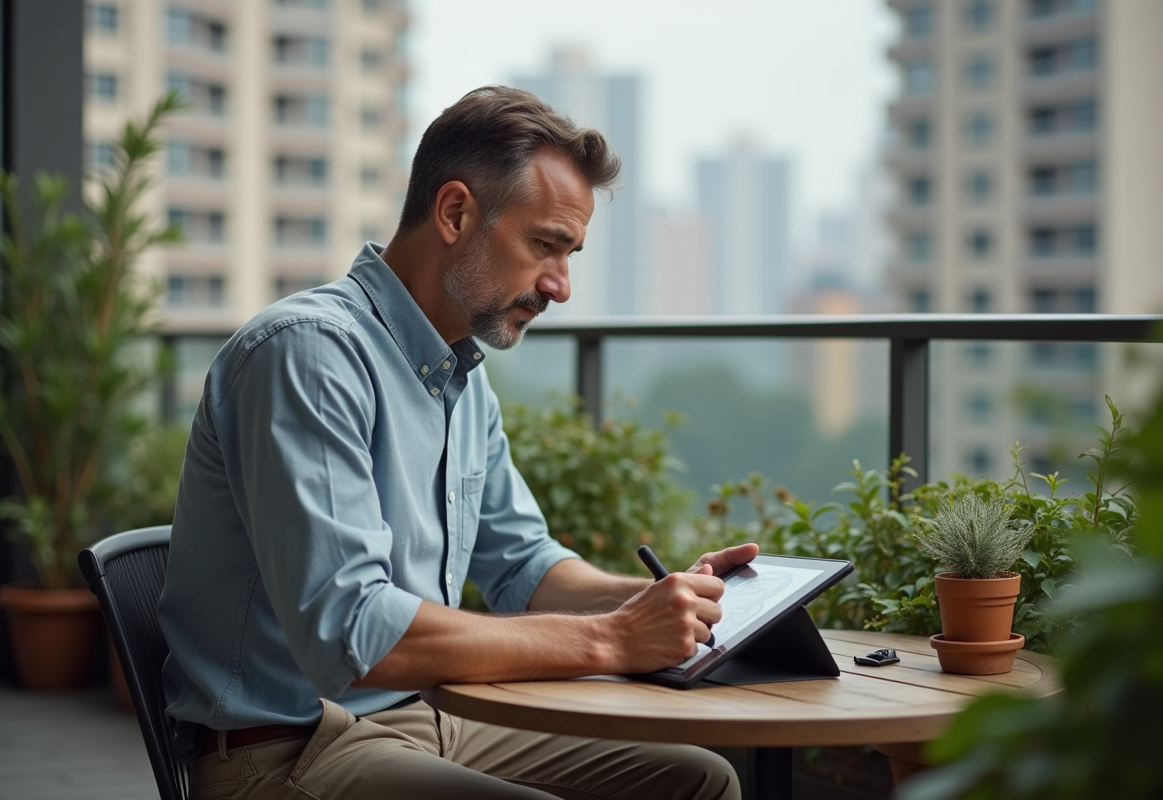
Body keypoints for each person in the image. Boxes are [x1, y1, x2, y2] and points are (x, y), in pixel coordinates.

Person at [158, 85, 758, 800]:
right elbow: (355, 631)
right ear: (455, 213)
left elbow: (526, 571)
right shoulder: (309, 354)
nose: (561, 286)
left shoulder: (460, 379)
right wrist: (611, 641)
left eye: (570, 255)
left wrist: (665, 600)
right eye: (546, 245)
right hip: (285, 751)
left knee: (699, 781)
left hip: (425, 718)